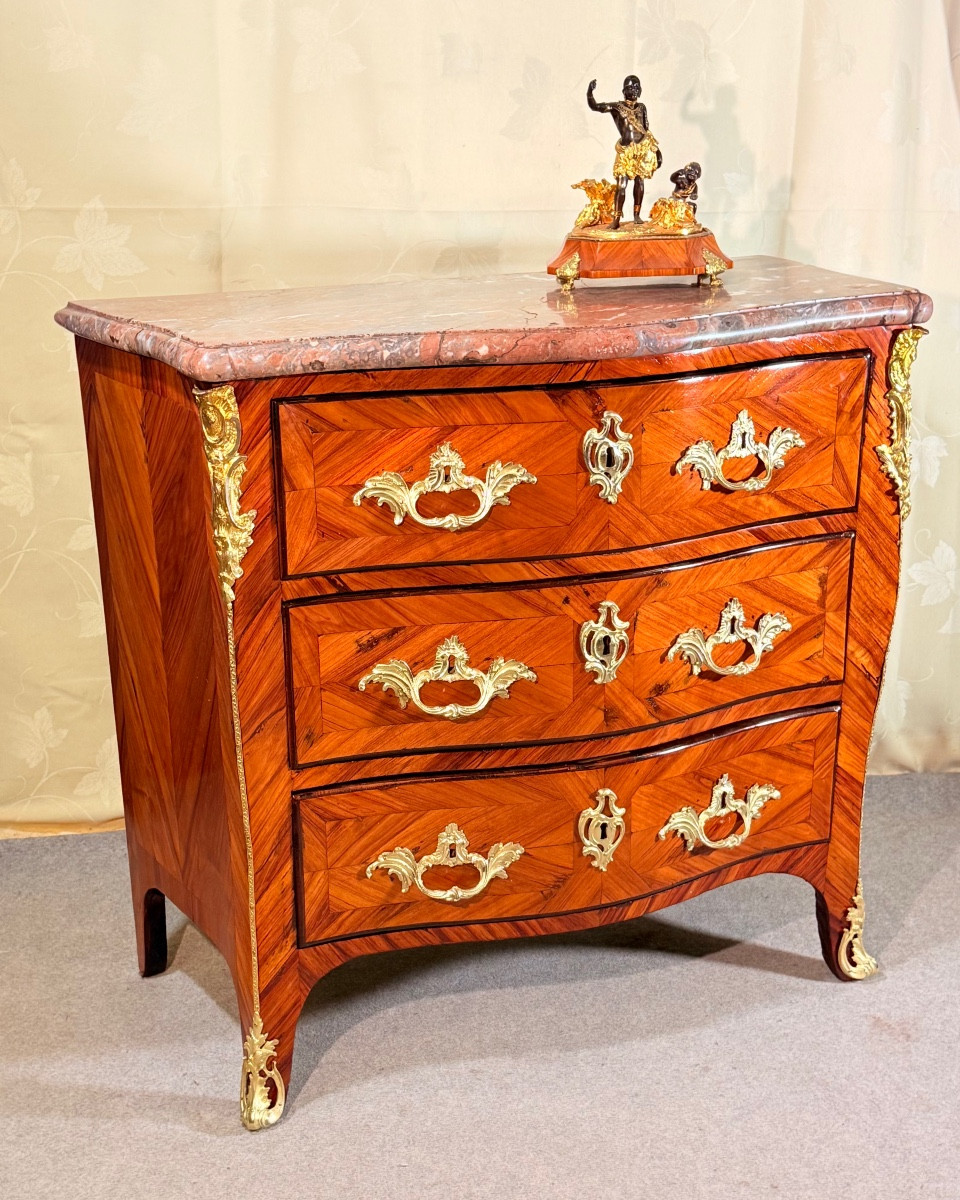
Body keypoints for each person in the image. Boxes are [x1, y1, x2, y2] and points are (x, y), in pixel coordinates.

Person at [586, 75, 662, 228]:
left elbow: (646, 130)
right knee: (621, 185)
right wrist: (590, 93)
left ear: (640, 90)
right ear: (623, 91)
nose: (633, 90)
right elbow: (595, 107)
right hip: (626, 151)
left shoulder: (642, 107)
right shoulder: (617, 107)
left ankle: (637, 214)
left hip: (642, 150)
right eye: (630, 88)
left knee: (640, 181)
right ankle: (616, 219)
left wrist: (656, 150)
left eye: (636, 88)